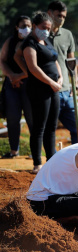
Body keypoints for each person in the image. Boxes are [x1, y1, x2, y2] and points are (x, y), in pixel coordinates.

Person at [19, 11, 63, 173]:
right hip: (39, 89)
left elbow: (55, 60)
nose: (46, 31)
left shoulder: (47, 41)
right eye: (43, 27)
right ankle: (37, 163)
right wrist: (51, 82)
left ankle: (51, 160)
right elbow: (33, 68)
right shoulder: (29, 43)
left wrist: (60, 79)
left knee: (52, 126)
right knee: (39, 126)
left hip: (54, 88)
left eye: (49, 28)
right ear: (35, 26)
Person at [47, 1, 78, 144]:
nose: (61, 19)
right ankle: (52, 162)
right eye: (58, 15)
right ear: (49, 13)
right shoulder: (40, 34)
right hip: (49, 90)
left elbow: (72, 61)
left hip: (67, 91)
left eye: (64, 16)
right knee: (49, 129)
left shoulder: (68, 35)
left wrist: (74, 83)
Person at [0, 15, 33, 158]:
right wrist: (11, 75)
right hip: (12, 84)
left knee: (32, 118)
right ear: (16, 27)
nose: (26, 28)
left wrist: (18, 77)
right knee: (12, 118)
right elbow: (2, 60)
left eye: (29, 25)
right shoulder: (10, 41)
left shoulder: (33, 42)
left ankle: (35, 152)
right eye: (23, 25)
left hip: (30, 84)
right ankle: (14, 151)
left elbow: (36, 67)